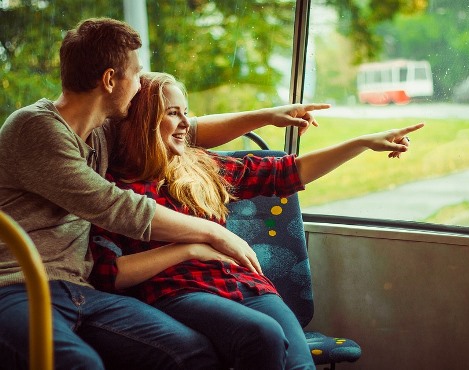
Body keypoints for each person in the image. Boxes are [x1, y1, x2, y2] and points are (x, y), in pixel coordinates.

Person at [0, 17, 331, 370]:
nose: (141, 83)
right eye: (137, 73)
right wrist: (214, 233)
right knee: (79, 363)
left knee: (190, 352)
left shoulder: (99, 131)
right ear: (110, 80)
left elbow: (188, 129)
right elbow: (116, 207)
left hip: (83, 291)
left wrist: (268, 115)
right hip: (18, 288)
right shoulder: (35, 128)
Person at [89, 72, 424, 370]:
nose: (186, 124)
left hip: (246, 283)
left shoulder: (201, 165)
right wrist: (189, 249)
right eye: (172, 113)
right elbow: (109, 274)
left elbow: (290, 172)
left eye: (186, 113)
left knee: (297, 360)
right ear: (145, 121)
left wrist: (362, 143)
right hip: (179, 291)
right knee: (263, 335)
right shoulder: (114, 187)